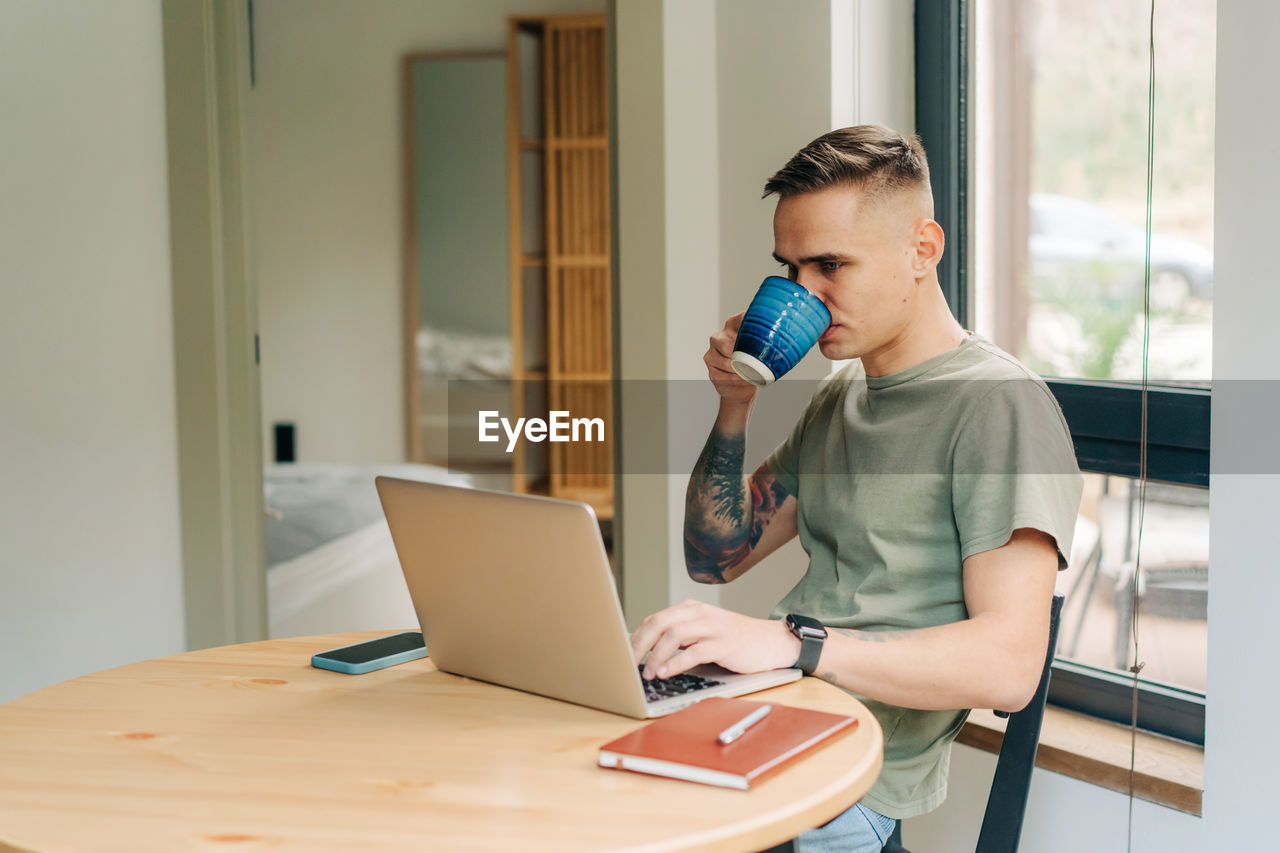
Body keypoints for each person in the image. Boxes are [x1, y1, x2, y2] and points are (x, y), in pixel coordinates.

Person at [629, 125, 1083, 852]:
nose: (802, 293)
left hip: (849, 774)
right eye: (788, 268)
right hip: (771, 719)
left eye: (830, 264)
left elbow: (1009, 666)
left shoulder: (999, 406)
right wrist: (734, 405)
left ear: (921, 250)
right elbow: (716, 556)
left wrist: (788, 643)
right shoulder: (843, 397)